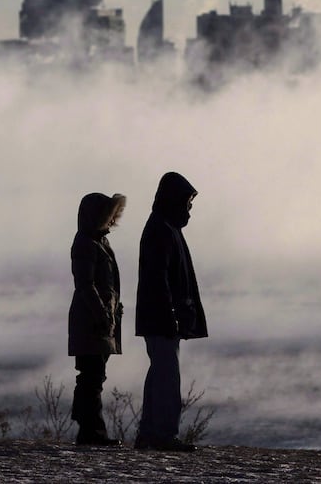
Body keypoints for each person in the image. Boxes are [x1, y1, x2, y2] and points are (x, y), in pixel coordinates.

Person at [134, 172, 207, 452]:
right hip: (161, 318)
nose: (189, 209)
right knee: (167, 378)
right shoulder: (161, 229)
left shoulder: (165, 227)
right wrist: (172, 315)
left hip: (161, 318)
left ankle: (151, 433)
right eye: (187, 202)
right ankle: (162, 434)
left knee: (160, 375)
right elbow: (158, 279)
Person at [68, 192, 127, 446]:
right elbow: (86, 285)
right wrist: (103, 314)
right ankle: (91, 431)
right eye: (108, 216)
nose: (112, 221)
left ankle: (89, 428)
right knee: (91, 376)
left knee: (94, 375)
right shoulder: (86, 243)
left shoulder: (98, 242)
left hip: (100, 321)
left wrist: (112, 312)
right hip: (91, 321)